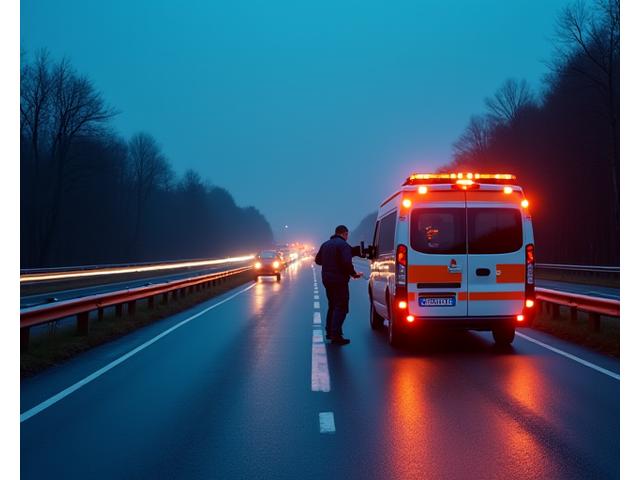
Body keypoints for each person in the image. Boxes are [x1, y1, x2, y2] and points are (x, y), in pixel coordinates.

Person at [315, 225, 363, 345]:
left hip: (327, 280)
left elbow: (318, 261)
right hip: (339, 280)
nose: (347, 237)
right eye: (347, 235)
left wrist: (330, 261)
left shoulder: (325, 244)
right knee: (341, 306)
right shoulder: (343, 245)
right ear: (344, 233)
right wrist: (353, 274)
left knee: (332, 305)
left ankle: (330, 332)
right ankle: (336, 335)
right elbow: (346, 262)